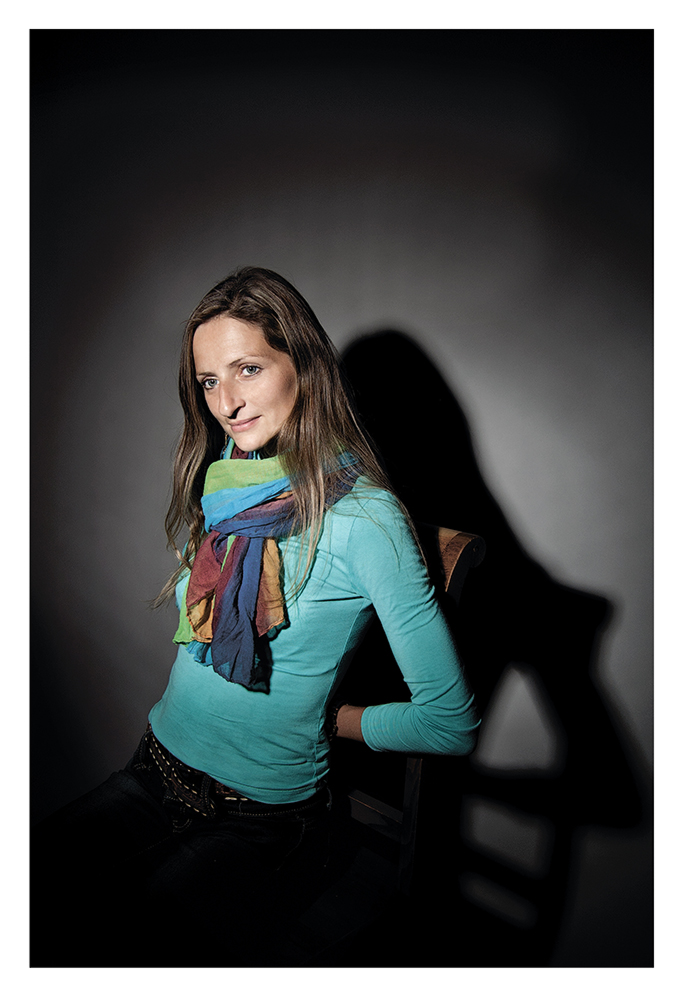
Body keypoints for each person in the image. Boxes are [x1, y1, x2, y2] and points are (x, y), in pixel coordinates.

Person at [31, 266, 480, 967]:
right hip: (151, 770)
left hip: (259, 819)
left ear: (303, 365)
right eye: (209, 381)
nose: (227, 403)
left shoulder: (368, 521)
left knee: (119, 954)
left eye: (247, 370)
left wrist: (331, 719)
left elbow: (449, 723)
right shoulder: (227, 480)